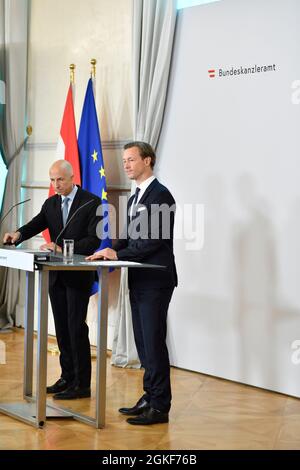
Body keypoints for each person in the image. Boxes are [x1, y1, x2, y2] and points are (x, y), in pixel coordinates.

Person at [87, 142, 177, 425]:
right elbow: (129, 237)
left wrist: (118, 254)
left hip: (156, 280)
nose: (125, 165)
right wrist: (108, 251)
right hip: (138, 278)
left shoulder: (161, 195)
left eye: (131, 160)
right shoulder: (136, 195)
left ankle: (160, 407)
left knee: (153, 343)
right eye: (124, 160)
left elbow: (152, 241)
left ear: (147, 161)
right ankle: (149, 396)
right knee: (143, 343)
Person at [3, 160, 101, 399]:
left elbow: (93, 241)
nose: (55, 185)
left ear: (72, 177)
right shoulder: (51, 204)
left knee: (76, 328)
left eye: (60, 180)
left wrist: (61, 248)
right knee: (61, 330)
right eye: (52, 180)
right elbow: (35, 224)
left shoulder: (91, 202)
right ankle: (67, 377)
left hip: (77, 276)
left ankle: (82, 384)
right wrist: (17, 235)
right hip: (55, 275)